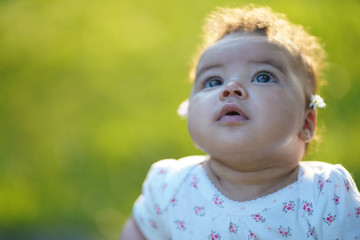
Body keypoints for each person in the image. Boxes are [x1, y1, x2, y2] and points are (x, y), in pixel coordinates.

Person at [121, 5, 360, 239]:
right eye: (213, 81)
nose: (231, 88)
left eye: (263, 76)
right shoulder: (170, 187)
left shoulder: (325, 195)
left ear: (306, 123)